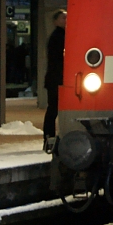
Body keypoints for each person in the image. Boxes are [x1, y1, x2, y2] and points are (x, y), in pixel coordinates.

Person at [42, 10, 66, 150]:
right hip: (57, 79)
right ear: (56, 21)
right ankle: (49, 138)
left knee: (53, 109)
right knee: (53, 110)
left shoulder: (56, 36)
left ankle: (48, 138)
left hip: (54, 79)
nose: (66, 20)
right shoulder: (59, 37)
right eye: (63, 18)